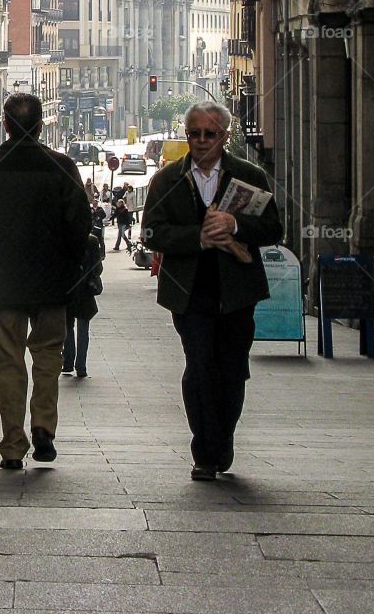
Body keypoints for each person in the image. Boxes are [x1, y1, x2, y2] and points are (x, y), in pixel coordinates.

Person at [141, 101, 283, 482]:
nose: (201, 141)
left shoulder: (249, 175)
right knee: (199, 366)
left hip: (237, 291)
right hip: (188, 293)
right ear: (186, 135)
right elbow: (151, 233)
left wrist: (236, 225)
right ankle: (205, 450)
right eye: (194, 133)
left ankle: (223, 438)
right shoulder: (167, 180)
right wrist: (197, 238)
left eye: (209, 134)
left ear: (225, 135)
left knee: (232, 370)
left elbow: (273, 229)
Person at [0, 94, 91, 470]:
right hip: (52, 284)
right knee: (48, 356)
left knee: (8, 362)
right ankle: (44, 426)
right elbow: (80, 224)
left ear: (5, 126)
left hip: (2, 286)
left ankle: (14, 443)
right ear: (42, 125)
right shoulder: (62, 167)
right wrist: (68, 264)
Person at [62, 231, 102, 379]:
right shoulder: (92, 241)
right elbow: (98, 269)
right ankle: (81, 366)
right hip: (85, 291)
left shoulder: (64, 238)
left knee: (67, 326)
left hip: (68, 289)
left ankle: (67, 362)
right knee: (83, 328)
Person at [111, 187, 133, 252]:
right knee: (120, 234)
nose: (119, 204)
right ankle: (128, 243)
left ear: (122, 203)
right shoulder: (118, 209)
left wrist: (128, 224)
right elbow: (115, 215)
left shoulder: (125, 210)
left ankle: (118, 246)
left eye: (120, 203)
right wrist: (110, 218)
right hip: (119, 222)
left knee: (121, 234)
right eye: (118, 203)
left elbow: (127, 217)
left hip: (123, 223)